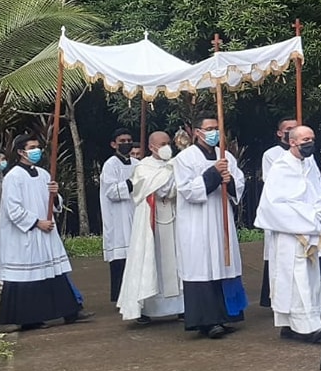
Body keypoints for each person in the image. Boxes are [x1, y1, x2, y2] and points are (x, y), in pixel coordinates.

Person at [0, 135, 93, 330]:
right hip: (26, 234)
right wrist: (36, 222)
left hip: (45, 230)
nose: (36, 150)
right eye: (32, 147)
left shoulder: (43, 174)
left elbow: (55, 205)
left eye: (38, 147)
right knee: (28, 276)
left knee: (53, 271)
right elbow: (12, 208)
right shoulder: (13, 176)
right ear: (21, 152)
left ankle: (70, 311)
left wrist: (55, 195)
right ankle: (30, 319)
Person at [173, 118, 247, 339]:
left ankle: (225, 316)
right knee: (202, 266)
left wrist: (229, 179)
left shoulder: (226, 156)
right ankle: (207, 321)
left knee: (223, 264)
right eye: (209, 129)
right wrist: (214, 174)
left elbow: (238, 185)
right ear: (197, 132)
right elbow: (186, 190)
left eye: (217, 129)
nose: (214, 133)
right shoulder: (184, 159)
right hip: (197, 222)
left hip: (220, 217)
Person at [256, 126, 321, 343]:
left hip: (311, 231)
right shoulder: (280, 168)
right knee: (295, 279)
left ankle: (294, 324)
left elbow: (319, 194)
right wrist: (307, 217)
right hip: (291, 234)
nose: (310, 143)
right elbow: (272, 205)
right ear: (292, 142)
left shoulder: (309, 164)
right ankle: (307, 328)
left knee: (310, 279)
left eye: (312, 138)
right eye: (305, 139)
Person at [117, 131, 185, 323]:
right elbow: (160, 188)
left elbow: (177, 188)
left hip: (173, 216)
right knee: (150, 258)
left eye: (168, 143)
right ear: (152, 146)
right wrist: (172, 173)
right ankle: (147, 307)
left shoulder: (175, 163)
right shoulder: (143, 167)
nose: (166, 147)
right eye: (162, 143)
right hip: (150, 219)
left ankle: (181, 306)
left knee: (176, 258)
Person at [258, 118, 297, 309]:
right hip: (282, 209)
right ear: (280, 133)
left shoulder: (305, 153)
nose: (293, 131)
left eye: (296, 128)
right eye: (289, 129)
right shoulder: (271, 155)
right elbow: (272, 180)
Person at [100, 128, 139, 303]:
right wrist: (131, 183)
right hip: (117, 217)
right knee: (120, 258)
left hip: (135, 212)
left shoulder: (138, 164)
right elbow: (111, 191)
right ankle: (119, 295)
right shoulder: (110, 165)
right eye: (122, 141)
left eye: (129, 140)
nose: (126, 144)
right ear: (113, 144)